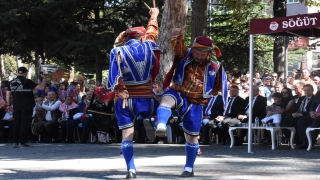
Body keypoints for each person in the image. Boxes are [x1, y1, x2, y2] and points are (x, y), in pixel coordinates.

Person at [154, 29, 227, 177]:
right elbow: (178, 47)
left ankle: (189, 168)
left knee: (192, 137)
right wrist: (177, 36)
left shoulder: (216, 66)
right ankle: (161, 125)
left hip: (196, 102)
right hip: (178, 91)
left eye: (202, 54)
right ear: (193, 49)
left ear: (208, 53)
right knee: (166, 99)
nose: (199, 56)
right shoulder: (185, 54)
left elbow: (219, 86)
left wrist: (205, 93)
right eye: (196, 53)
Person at [106, 7, 160, 179]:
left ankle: (131, 169)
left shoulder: (117, 51)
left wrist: (118, 89)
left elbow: (114, 78)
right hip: (146, 96)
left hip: (125, 99)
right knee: (165, 104)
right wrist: (153, 16)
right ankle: (152, 119)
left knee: (126, 137)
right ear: (141, 37)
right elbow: (152, 33)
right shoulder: (150, 46)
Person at [6, 67, 48, 148]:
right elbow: (41, 87)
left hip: (16, 105)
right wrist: (44, 78)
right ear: (26, 73)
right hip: (27, 105)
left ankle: (15, 142)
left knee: (16, 123)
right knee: (24, 124)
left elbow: (8, 94)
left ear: (17, 72)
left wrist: (8, 105)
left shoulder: (11, 82)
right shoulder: (27, 81)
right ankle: (22, 142)